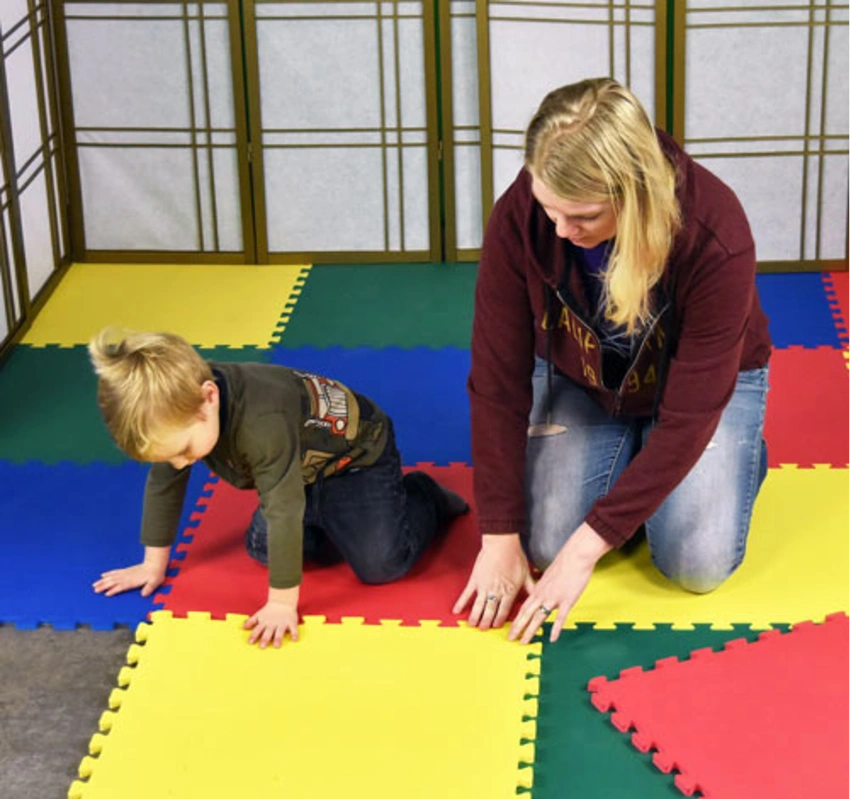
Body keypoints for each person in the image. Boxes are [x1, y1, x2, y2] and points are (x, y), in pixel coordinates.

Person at [454, 78, 771, 644]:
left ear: (635, 196)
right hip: (590, 378)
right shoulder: (520, 215)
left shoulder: (714, 233)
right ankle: (641, 458)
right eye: (549, 208)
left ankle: (737, 456)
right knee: (543, 543)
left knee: (695, 563)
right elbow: (498, 381)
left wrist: (588, 548)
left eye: (582, 216)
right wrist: (498, 536)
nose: (559, 230)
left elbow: (691, 411)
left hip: (701, 391)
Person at [89, 330, 468, 647]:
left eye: (185, 451)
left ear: (209, 398)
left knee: (381, 564)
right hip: (299, 468)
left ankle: (422, 494)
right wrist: (153, 564)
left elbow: (283, 510)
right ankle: (329, 513)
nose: (179, 462)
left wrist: (282, 604)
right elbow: (166, 482)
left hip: (355, 460)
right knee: (262, 547)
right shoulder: (182, 411)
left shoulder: (261, 424)